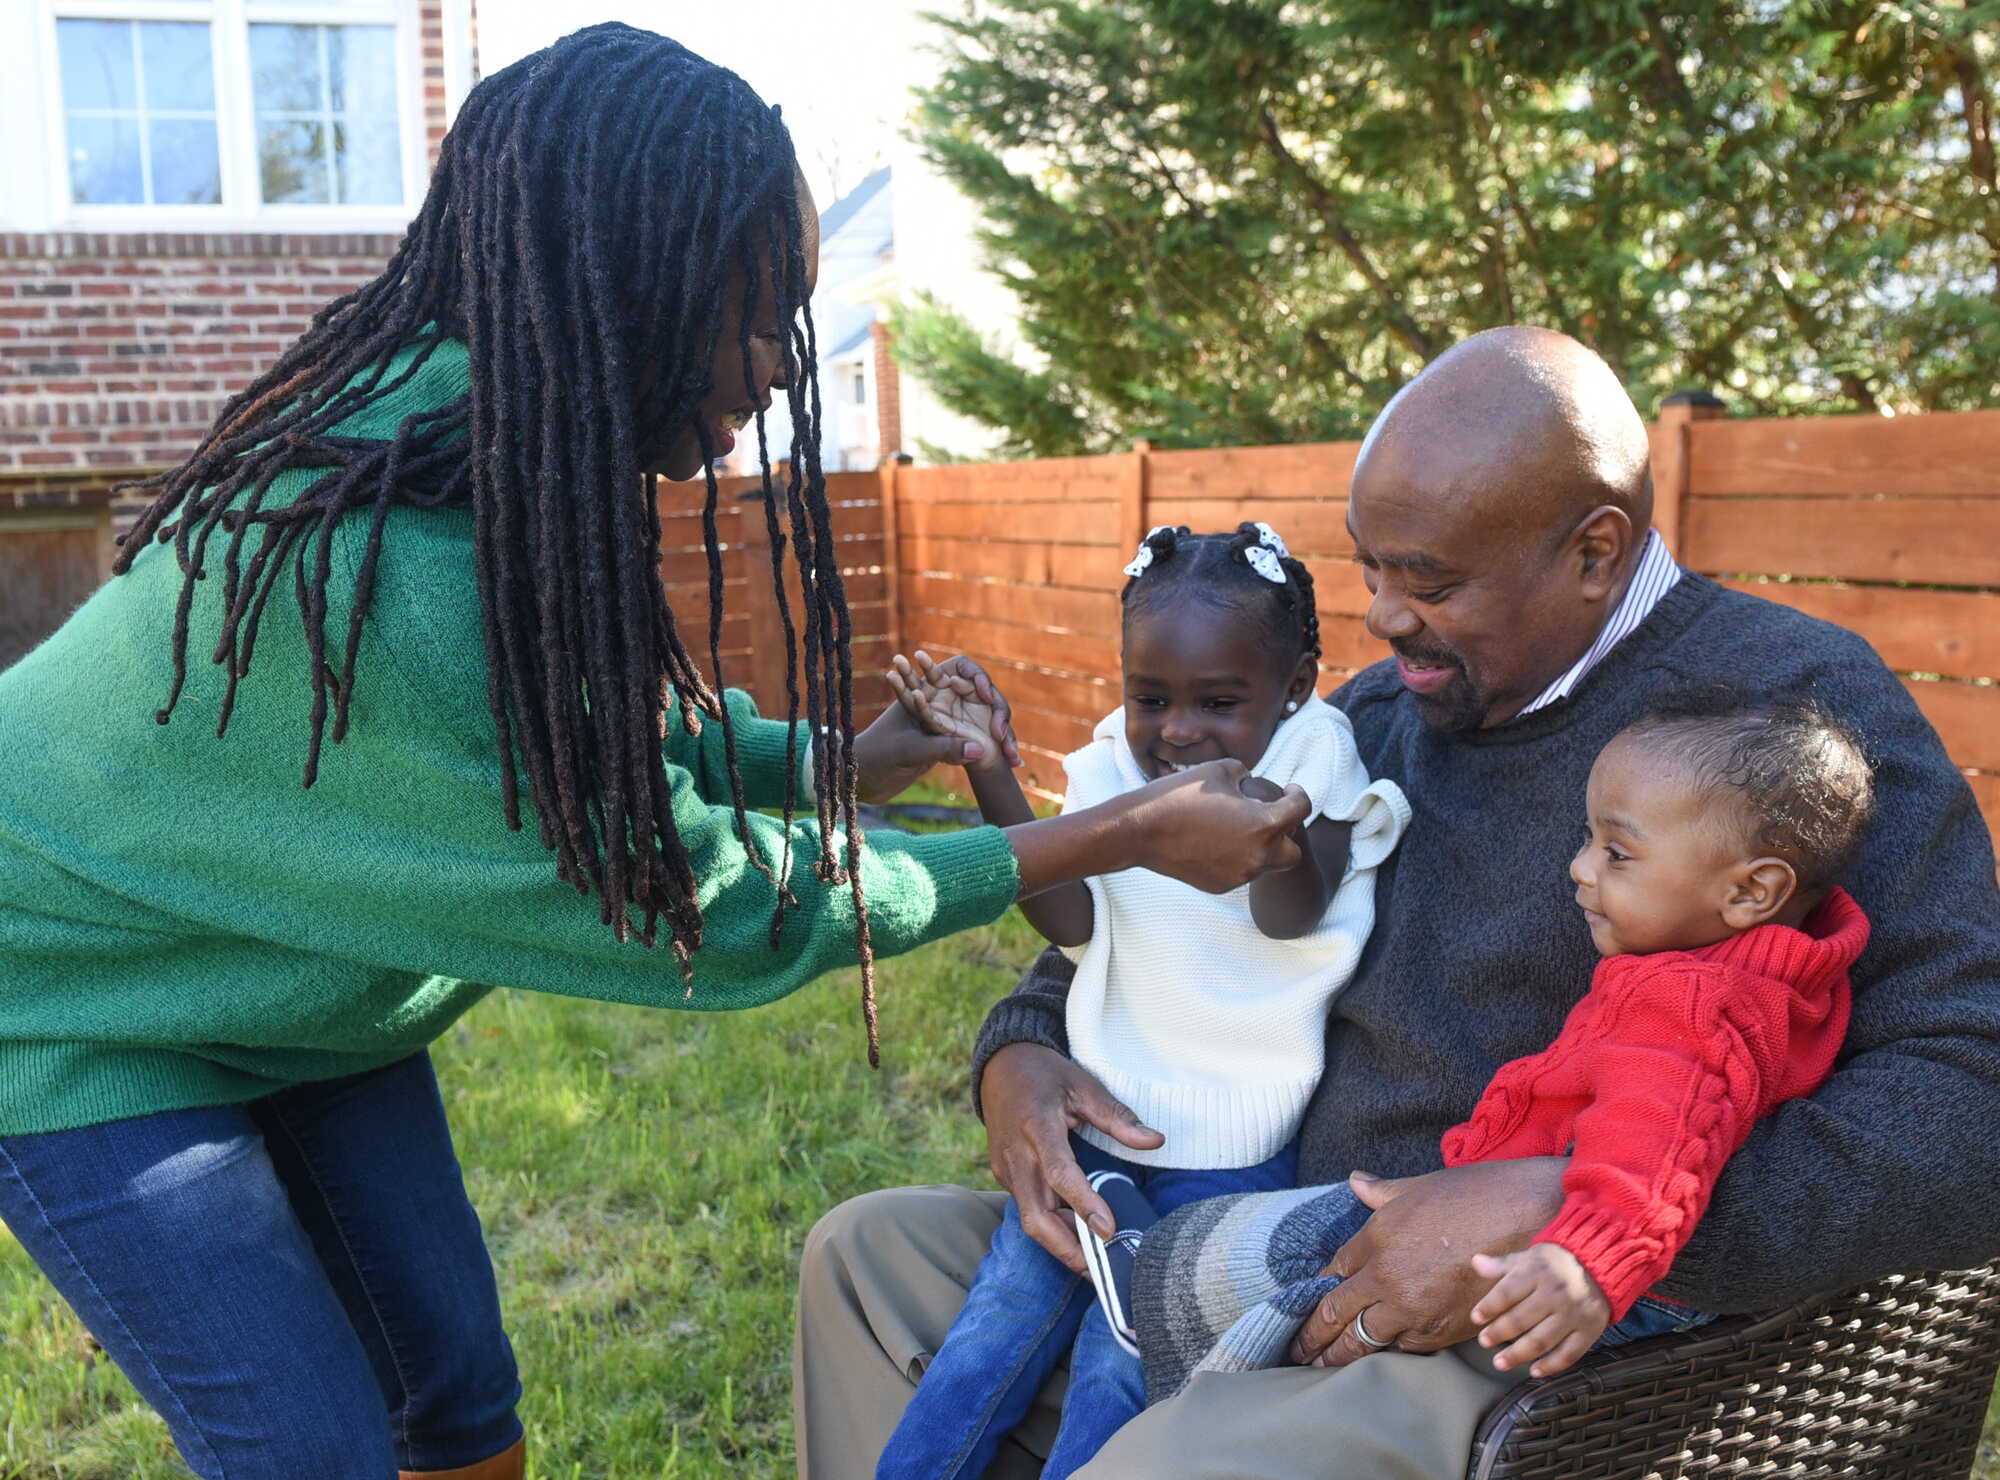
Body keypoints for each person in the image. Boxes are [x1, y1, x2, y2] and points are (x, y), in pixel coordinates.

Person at [0, 28, 1309, 1480]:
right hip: (71, 996)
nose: (779, 364)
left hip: (289, 984)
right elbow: (717, 904)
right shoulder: (394, 560)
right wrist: (1110, 834)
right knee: (310, 1449)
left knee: (457, 1385)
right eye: (756, 317)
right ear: (634, 279)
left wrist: (845, 757)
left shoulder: (496, 434)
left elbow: (594, 729)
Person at [792, 326, 2000, 1480]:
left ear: (1592, 550)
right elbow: (1159, 923)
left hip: (1509, 1344)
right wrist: (1022, 1052)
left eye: (1426, 581)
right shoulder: (1367, 719)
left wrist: (1563, 1201)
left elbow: (1967, 1099)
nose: (1379, 617)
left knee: (1179, 1460)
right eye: (1369, 569)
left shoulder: (1785, 717)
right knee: (865, 1261)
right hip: (1245, 1234)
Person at [1140, 693, 1872, 1405]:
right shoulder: (1791, 970)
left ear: (1753, 892)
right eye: (1589, 839)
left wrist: (1583, 1263)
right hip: (1588, 1258)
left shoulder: (1689, 1006)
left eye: (1617, 851)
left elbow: (1654, 1152)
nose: (1581, 868)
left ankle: (1151, 1293)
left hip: (1553, 1272)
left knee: (1273, 1278)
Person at [872, 522, 1409, 1479]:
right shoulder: (1112, 769)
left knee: (1120, 1370)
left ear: (1293, 684)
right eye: (1149, 697)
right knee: (994, 1330)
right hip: (1092, 1129)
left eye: (1218, 702)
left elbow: (1292, 918)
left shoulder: (1318, 749)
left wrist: (1273, 822)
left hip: (1235, 1160)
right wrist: (990, 767)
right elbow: (1071, 919)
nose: (1177, 731)